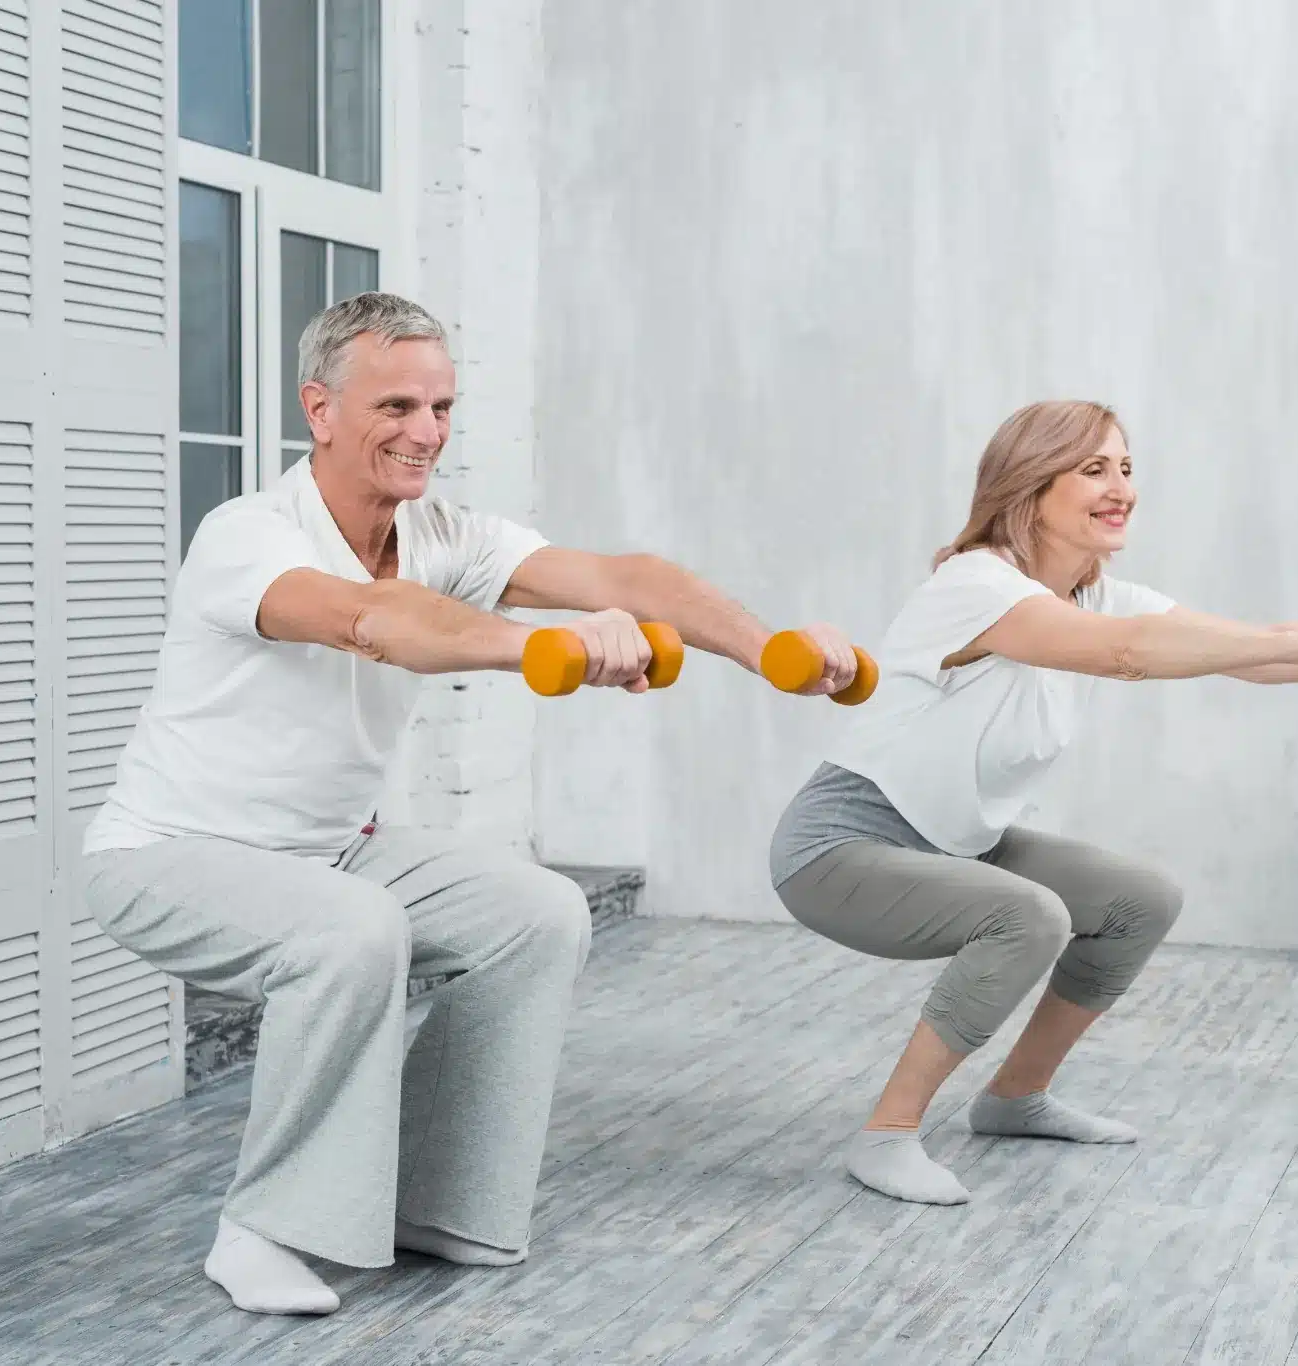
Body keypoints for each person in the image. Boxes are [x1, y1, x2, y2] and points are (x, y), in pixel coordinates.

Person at [80, 291, 860, 1316]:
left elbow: (624, 576)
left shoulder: (441, 533)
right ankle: (262, 1230)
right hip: (168, 854)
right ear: (319, 410)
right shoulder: (248, 536)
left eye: (441, 406)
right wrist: (545, 647)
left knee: (537, 912)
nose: (426, 432)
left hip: (330, 851)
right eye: (396, 406)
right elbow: (371, 620)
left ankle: (439, 1203)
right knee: (353, 928)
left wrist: (769, 651)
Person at [766, 399, 1298, 1206]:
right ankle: (886, 1134)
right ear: (1028, 485)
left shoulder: (1098, 595)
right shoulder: (975, 585)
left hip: (956, 840)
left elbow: (1256, 658)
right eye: (1093, 470)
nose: (1120, 488)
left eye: (1124, 467)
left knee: (1137, 899)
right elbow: (1127, 655)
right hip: (842, 847)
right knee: (1027, 916)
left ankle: (1014, 1098)